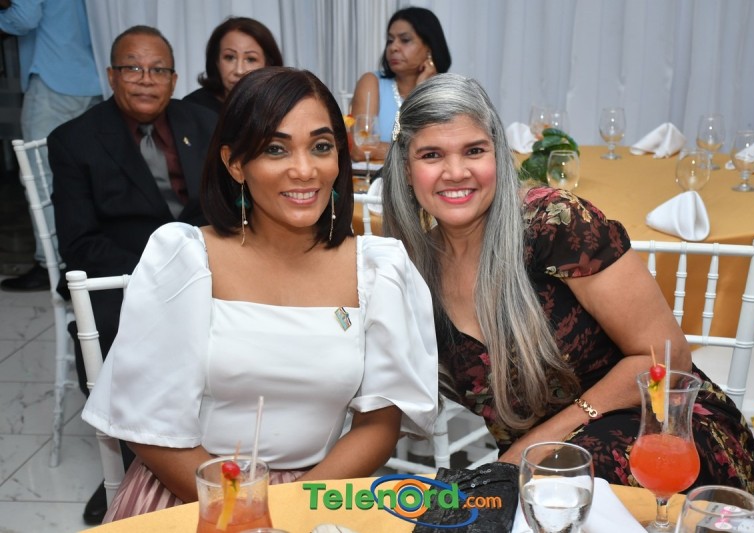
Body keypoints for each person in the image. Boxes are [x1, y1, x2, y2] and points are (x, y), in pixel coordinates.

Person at [81, 67, 438, 522]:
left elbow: (378, 424)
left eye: (321, 146)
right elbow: (149, 427)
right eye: (275, 149)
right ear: (234, 163)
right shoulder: (186, 260)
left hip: (318, 494)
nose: (304, 170)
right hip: (193, 493)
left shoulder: (376, 270)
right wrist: (245, 512)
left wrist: (290, 512)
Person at [381, 73, 754, 494]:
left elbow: (667, 359)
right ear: (406, 169)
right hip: (541, 471)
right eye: (432, 155)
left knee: (564, 486)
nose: (456, 172)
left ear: (498, 155)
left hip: (666, 433)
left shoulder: (553, 223)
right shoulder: (414, 272)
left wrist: (538, 444)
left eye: (474, 150)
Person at [49, 25, 217, 524]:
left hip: (207, 263)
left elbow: (227, 207)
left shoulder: (205, 124)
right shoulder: (74, 140)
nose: (146, 79)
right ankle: (132, 469)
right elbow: (79, 243)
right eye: (133, 68)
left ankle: (219, 450)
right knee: (107, 329)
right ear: (111, 75)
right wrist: (157, 277)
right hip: (118, 271)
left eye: (158, 69)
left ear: (174, 78)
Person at [0, 0, 102, 292]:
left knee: (41, 178)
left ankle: (52, 265)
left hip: (53, 79)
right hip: (90, 77)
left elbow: (25, 17)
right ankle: (83, 261)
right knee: (87, 179)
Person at [349, 6, 450, 162]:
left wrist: (421, 90)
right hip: (379, 177)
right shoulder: (371, 82)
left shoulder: (448, 91)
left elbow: (445, 151)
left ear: (429, 48)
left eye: (405, 40)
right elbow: (359, 149)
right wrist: (417, 154)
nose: (393, 47)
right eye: (390, 40)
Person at [183, 16, 283, 113]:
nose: (239, 71)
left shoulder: (282, 107)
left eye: (250, 59)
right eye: (229, 57)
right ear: (216, 61)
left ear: (268, 65)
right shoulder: (193, 108)